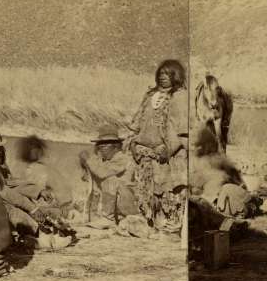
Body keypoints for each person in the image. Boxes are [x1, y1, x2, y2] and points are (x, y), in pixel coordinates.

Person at [125, 59, 189, 233]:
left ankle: (171, 224)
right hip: (145, 152)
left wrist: (168, 149)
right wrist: (133, 141)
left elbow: (182, 131)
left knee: (167, 189)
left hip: (168, 153)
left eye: (168, 74)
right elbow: (137, 122)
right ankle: (151, 221)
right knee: (145, 189)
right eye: (161, 74)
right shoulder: (150, 95)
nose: (163, 77)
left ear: (176, 76)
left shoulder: (180, 96)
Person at [79, 125, 139, 226]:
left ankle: (108, 219)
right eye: (99, 147)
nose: (101, 150)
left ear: (115, 147)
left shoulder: (123, 159)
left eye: (103, 147)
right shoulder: (106, 161)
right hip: (114, 205)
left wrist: (89, 160)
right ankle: (97, 216)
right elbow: (88, 177)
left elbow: (102, 173)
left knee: (110, 180)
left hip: (126, 204)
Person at [16, 135, 74, 219]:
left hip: (57, 209)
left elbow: (33, 194)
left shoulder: (37, 169)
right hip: (62, 207)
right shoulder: (40, 168)